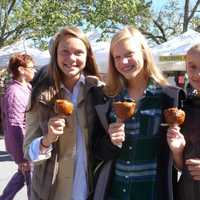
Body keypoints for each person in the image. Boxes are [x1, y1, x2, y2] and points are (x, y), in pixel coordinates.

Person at [92, 26, 185, 200]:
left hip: (153, 193)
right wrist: (111, 142)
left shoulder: (169, 98)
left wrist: (178, 151)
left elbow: (181, 164)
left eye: (129, 54)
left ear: (143, 52)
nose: (123, 62)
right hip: (114, 193)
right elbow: (97, 152)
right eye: (117, 57)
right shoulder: (108, 99)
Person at [23, 26, 104, 200]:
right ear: (56, 55)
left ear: (87, 55)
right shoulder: (40, 95)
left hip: (90, 190)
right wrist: (47, 140)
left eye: (78, 52)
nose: (71, 58)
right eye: (64, 52)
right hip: (50, 192)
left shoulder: (98, 92)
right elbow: (28, 151)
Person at [0, 53, 35, 200]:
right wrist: (22, 158)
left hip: (29, 143)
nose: (34, 70)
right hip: (24, 147)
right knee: (33, 184)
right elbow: (15, 125)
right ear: (21, 69)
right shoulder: (15, 92)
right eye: (32, 67)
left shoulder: (25, 87)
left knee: (22, 176)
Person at [167, 44, 200, 200]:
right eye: (192, 67)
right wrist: (177, 152)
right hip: (186, 193)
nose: (197, 74)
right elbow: (182, 166)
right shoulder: (185, 107)